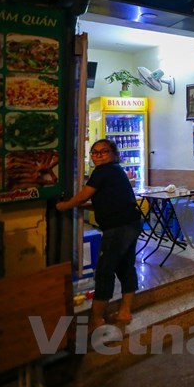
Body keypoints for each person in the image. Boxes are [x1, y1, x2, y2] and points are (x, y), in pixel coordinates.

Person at [56, 139, 142, 328]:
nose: (98, 155)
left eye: (103, 151)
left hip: (118, 228)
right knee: (126, 267)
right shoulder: (117, 171)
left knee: (105, 271)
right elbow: (107, 202)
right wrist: (81, 205)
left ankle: (96, 318)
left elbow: (83, 195)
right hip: (131, 223)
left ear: (114, 154)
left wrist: (64, 205)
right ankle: (125, 312)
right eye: (94, 152)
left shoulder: (102, 171)